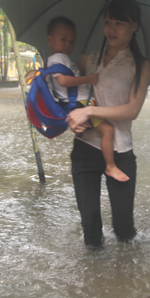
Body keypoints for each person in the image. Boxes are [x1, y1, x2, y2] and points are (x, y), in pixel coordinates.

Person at [66, 0, 150, 248]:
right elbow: (68, 91)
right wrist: (44, 79)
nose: (111, 29)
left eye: (119, 23)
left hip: (120, 151)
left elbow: (132, 110)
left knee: (124, 232)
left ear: (134, 26)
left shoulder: (141, 65)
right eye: (107, 22)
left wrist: (90, 111)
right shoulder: (87, 59)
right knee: (91, 233)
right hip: (84, 149)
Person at [46, 16, 130, 182]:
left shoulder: (62, 59)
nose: (68, 45)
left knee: (101, 128)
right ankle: (110, 166)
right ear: (50, 40)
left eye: (72, 41)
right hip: (78, 106)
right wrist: (88, 79)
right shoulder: (56, 59)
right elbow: (63, 81)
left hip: (79, 105)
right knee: (108, 130)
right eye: (63, 40)